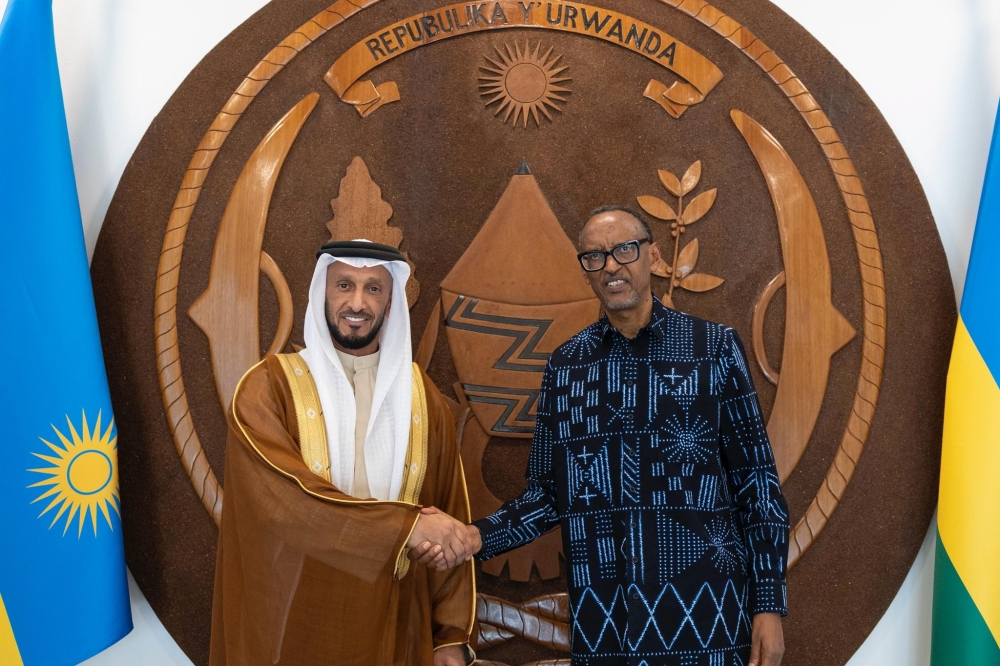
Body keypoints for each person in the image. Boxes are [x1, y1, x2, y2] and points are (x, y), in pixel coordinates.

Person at [416, 207, 789, 666]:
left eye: (624, 250)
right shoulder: (567, 367)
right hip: (606, 624)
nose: (611, 265)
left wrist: (768, 605)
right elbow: (549, 495)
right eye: (594, 256)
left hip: (705, 618)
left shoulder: (713, 350)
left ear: (652, 256)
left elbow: (758, 486)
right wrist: (475, 537)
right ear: (585, 270)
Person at [210, 240, 476, 666]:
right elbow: (284, 504)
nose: (357, 302)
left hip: (400, 620)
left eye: (374, 289)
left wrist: (449, 635)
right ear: (322, 292)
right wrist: (405, 529)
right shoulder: (268, 388)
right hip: (301, 622)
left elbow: (447, 510)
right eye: (345, 285)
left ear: (391, 302)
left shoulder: (421, 397)